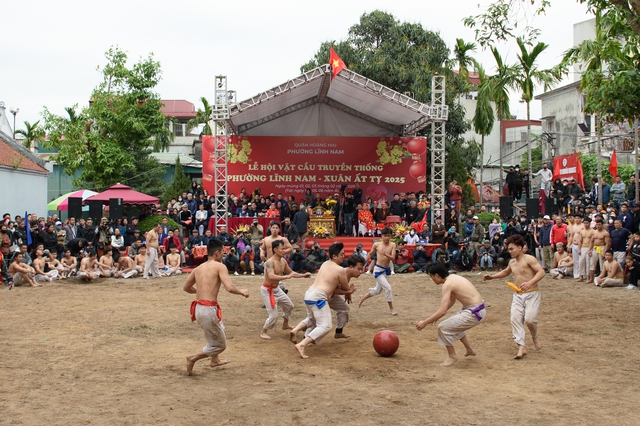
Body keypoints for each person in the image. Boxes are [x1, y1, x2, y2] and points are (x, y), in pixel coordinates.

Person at [184, 239, 249, 376]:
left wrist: (200, 291)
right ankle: (193, 358)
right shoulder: (220, 266)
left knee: (219, 330)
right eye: (223, 253)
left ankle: (215, 360)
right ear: (217, 252)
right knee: (219, 345)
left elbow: (186, 287)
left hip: (199, 307)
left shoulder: (198, 268)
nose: (223, 256)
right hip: (208, 310)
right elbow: (229, 288)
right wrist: (242, 292)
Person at [292, 249, 363, 359]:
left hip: (317, 295)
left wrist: (347, 292)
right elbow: (333, 289)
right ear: (351, 267)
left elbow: (339, 289)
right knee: (323, 324)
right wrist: (348, 292)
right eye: (359, 269)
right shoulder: (340, 271)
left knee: (343, 309)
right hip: (321, 296)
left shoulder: (331, 266)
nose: (361, 272)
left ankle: (338, 331)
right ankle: (303, 342)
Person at [483, 234, 545, 359]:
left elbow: (541, 272)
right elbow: (506, 272)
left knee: (530, 319)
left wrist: (530, 282)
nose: (509, 251)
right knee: (515, 319)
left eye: (511, 249)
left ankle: (534, 337)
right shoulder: (512, 262)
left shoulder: (529, 259)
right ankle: (521, 346)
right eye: (508, 249)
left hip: (532, 293)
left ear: (520, 248)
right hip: (518, 295)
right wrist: (492, 277)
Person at [416, 263, 486, 367]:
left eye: (431, 277)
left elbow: (443, 310)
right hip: (476, 309)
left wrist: (425, 322)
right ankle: (470, 349)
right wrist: (437, 316)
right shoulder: (453, 277)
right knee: (454, 323)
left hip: (474, 313)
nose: (432, 280)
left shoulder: (447, 284)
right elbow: (452, 301)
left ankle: (452, 356)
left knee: (443, 327)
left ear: (436, 275)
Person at [260, 240, 311, 340]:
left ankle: (285, 324)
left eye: (284, 249)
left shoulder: (283, 261)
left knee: (289, 306)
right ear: (275, 250)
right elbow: (271, 276)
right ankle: (264, 331)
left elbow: (291, 272)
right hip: (267, 290)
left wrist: (303, 275)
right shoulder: (269, 262)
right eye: (282, 249)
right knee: (274, 315)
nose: (284, 251)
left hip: (277, 289)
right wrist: (287, 277)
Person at [359, 227, 397, 315]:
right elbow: (370, 254)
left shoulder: (393, 245)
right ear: (382, 236)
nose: (387, 238)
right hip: (378, 270)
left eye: (388, 236)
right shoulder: (377, 245)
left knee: (377, 290)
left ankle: (363, 297)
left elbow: (393, 258)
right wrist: (362, 264)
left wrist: (386, 254)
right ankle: (391, 308)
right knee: (388, 288)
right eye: (385, 236)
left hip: (385, 270)